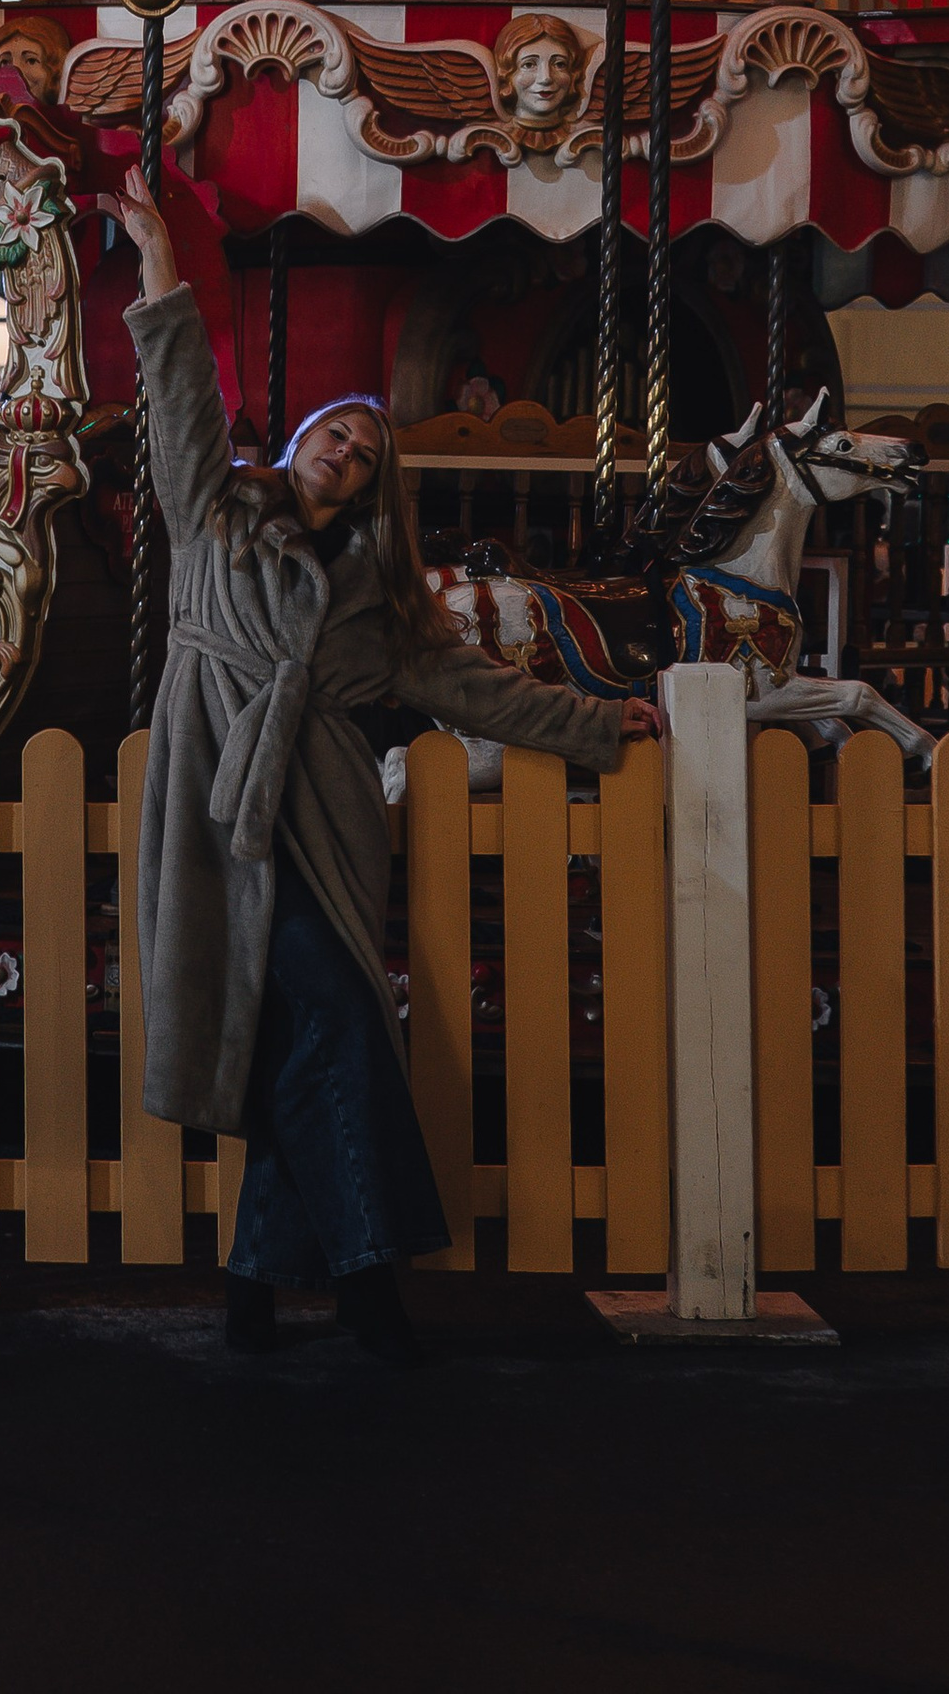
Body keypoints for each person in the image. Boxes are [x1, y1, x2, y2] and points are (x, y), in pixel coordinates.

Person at [119, 162, 658, 1363]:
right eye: (335, 436)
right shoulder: (213, 514)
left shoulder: (375, 597)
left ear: (373, 489)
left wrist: (589, 720)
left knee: (315, 1031)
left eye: (366, 454)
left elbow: (465, 685)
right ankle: (361, 1276)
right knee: (321, 1036)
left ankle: (263, 1288)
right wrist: (159, 264)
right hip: (219, 807)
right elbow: (179, 398)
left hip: (320, 821)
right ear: (299, 443)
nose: (348, 455)